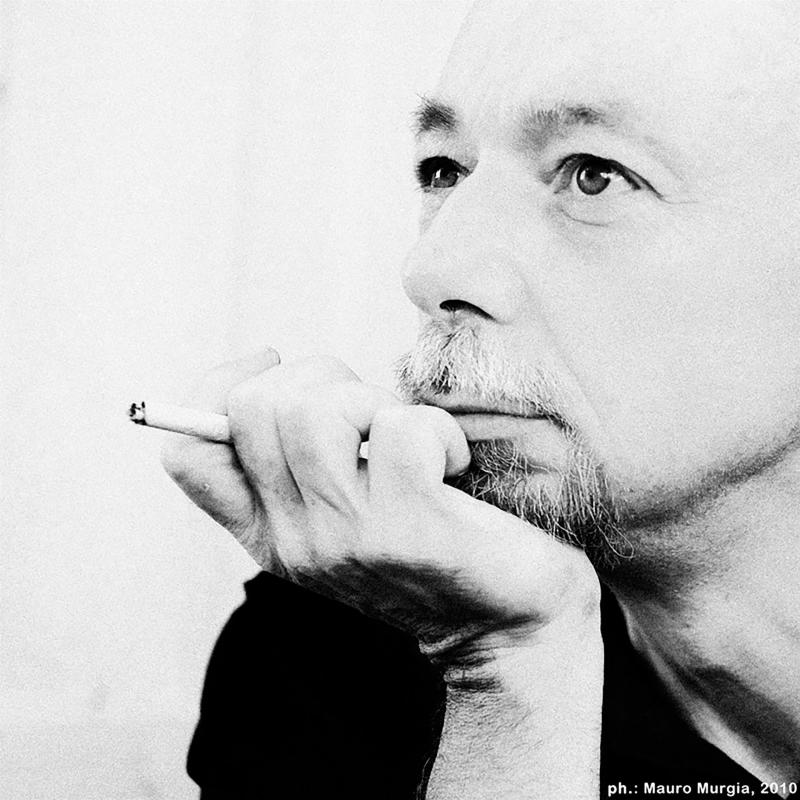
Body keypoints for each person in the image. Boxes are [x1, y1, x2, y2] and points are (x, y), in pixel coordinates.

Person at [161, 1, 800, 797]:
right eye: (443, 170)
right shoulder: (341, 652)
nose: (431, 268)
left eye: (593, 174)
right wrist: (503, 666)